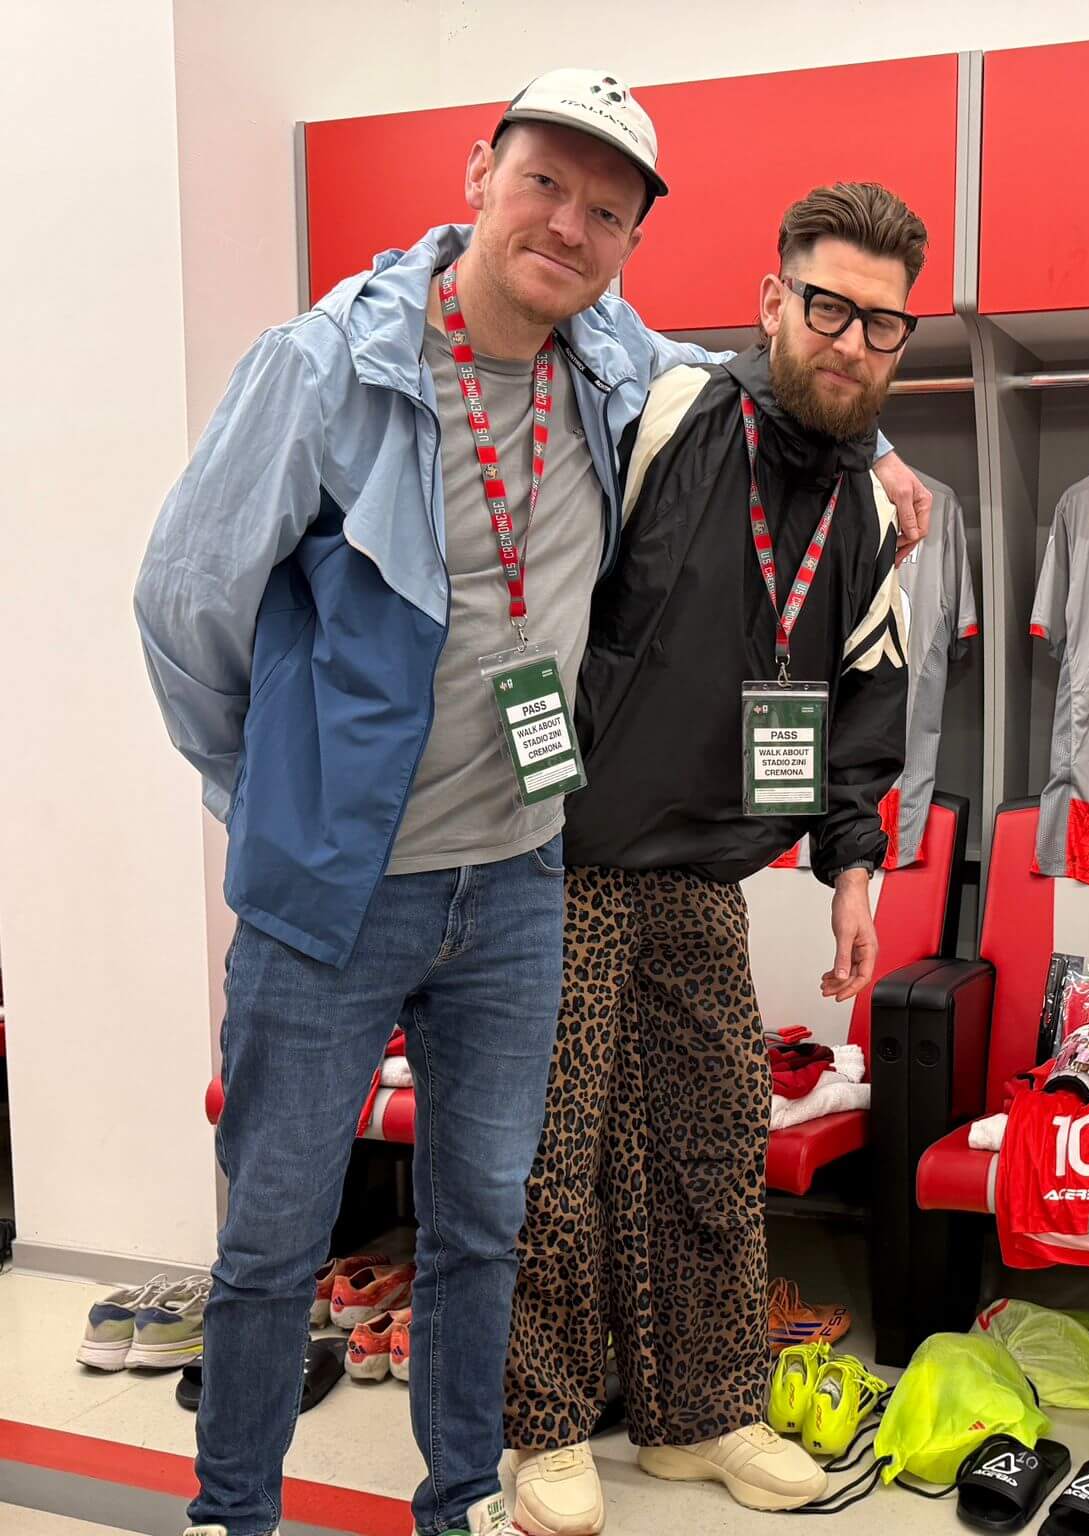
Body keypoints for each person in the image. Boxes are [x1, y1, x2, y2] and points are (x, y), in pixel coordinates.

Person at [136, 72, 926, 1536]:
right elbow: (185, 602)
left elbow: (795, 422)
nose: (570, 223)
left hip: (517, 878)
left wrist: (878, 446)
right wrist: (269, 794)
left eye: (608, 209)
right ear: (478, 175)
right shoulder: (337, 365)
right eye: (546, 185)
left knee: (491, 1223)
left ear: (630, 243)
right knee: (272, 1242)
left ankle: (483, 1494)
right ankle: (243, 1510)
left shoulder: (605, 362)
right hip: (360, 885)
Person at [502, 182, 920, 1532]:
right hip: (564, 856)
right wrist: (516, 807)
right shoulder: (670, 410)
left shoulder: (869, 509)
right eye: (828, 307)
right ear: (772, 301)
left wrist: (855, 869)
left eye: (883, 323)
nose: (852, 341)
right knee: (550, 1157)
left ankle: (700, 1414)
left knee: (708, 1139)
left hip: (703, 876)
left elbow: (868, 703)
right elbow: (538, 582)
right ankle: (547, 1428)